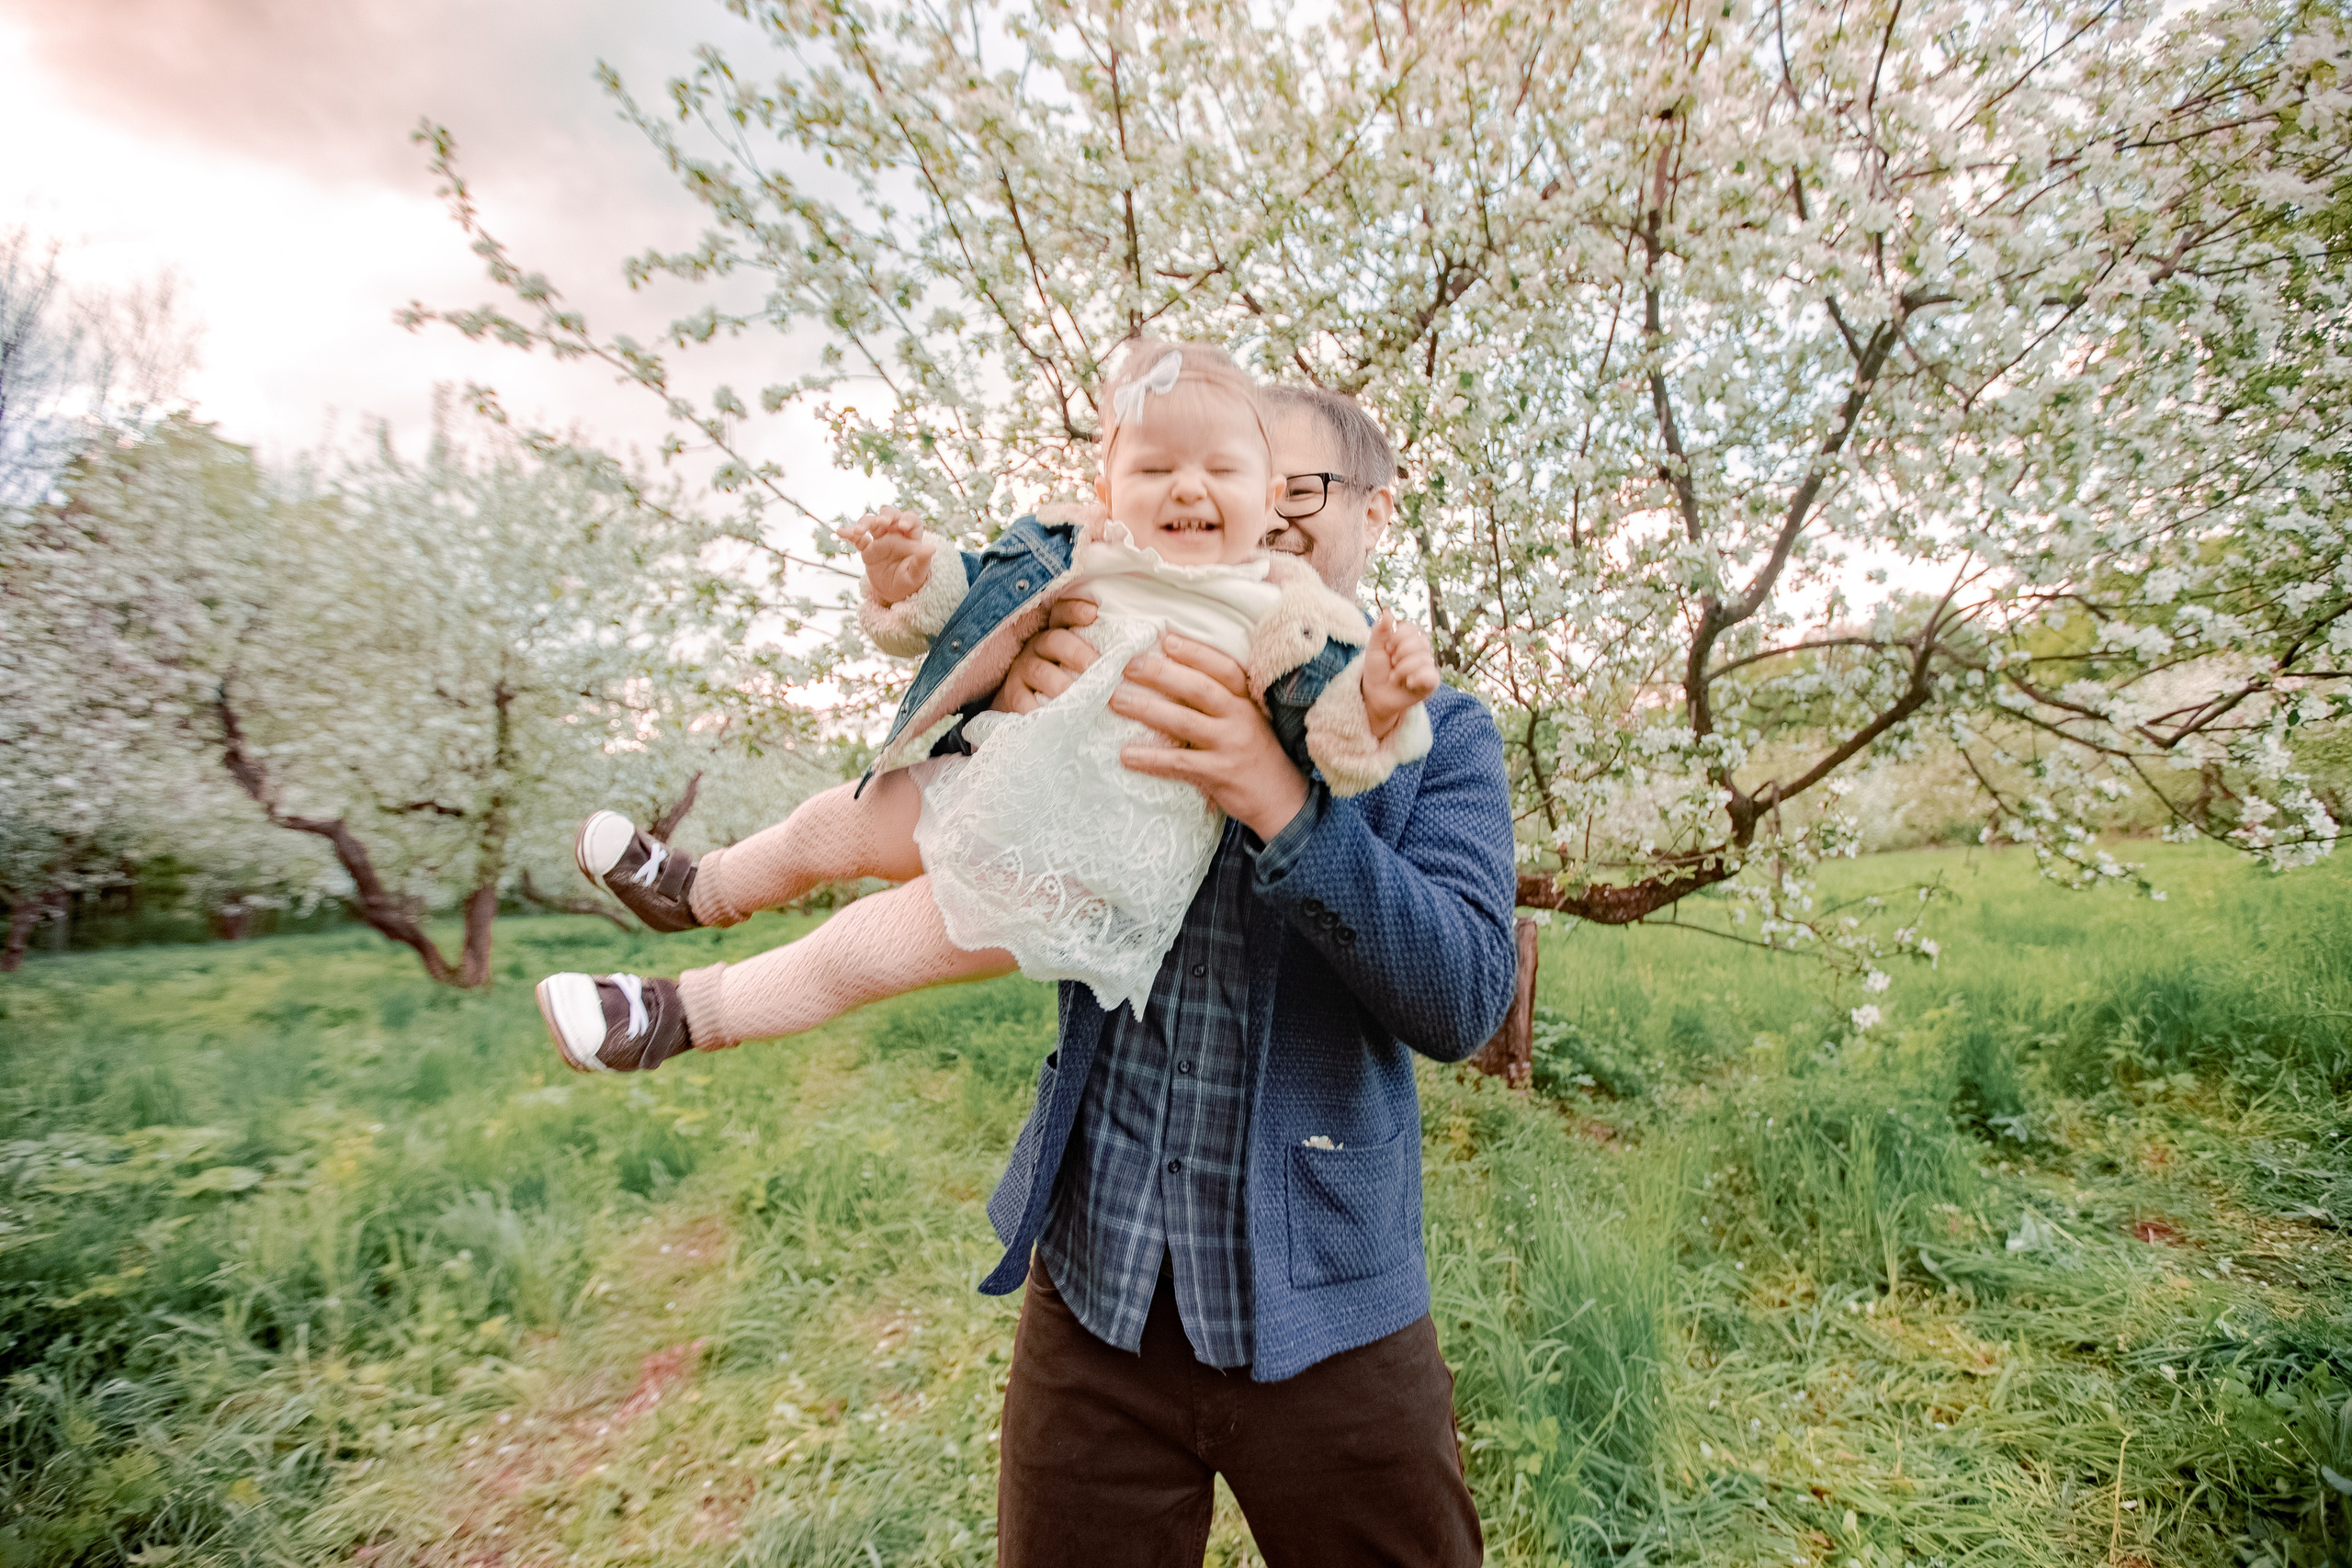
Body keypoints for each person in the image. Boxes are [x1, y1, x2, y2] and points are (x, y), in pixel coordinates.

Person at [532, 342, 1441, 1070]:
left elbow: (1333, 731)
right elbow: (972, 603)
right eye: (1156, 466)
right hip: (989, 773)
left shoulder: (1285, 615)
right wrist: (912, 576)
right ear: (1106, 490)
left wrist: (1380, 698)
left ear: (1270, 497)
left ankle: (672, 1016)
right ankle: (696, 887)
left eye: (1223, 470)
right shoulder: (1077, 550)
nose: (1189, 488)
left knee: (862, 950)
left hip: (1078, 859)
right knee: (828, 826)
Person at [978, 383, 1518, 1567]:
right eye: (1241, 474)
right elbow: (966, 829)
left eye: (1299, 487)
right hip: (1096, 1302)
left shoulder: (1447, 738)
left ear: (1372, 514)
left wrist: (1281, 807)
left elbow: (1468, 999)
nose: (1260, 510)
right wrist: (1010, 698)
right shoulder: (1116, 669)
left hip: (1330, 1310)